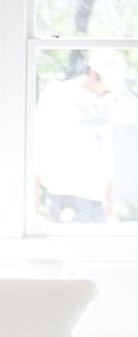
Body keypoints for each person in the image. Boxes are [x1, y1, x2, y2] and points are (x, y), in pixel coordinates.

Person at [35, 49, 126, 223]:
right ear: (93, 74)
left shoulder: (107, 102)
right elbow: (38, 146)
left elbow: (107, 153)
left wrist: (110, 203)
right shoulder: (57, 96)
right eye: (106, 87)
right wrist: (34, 205)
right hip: (60, 195)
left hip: (94, 197)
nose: (108, 91)